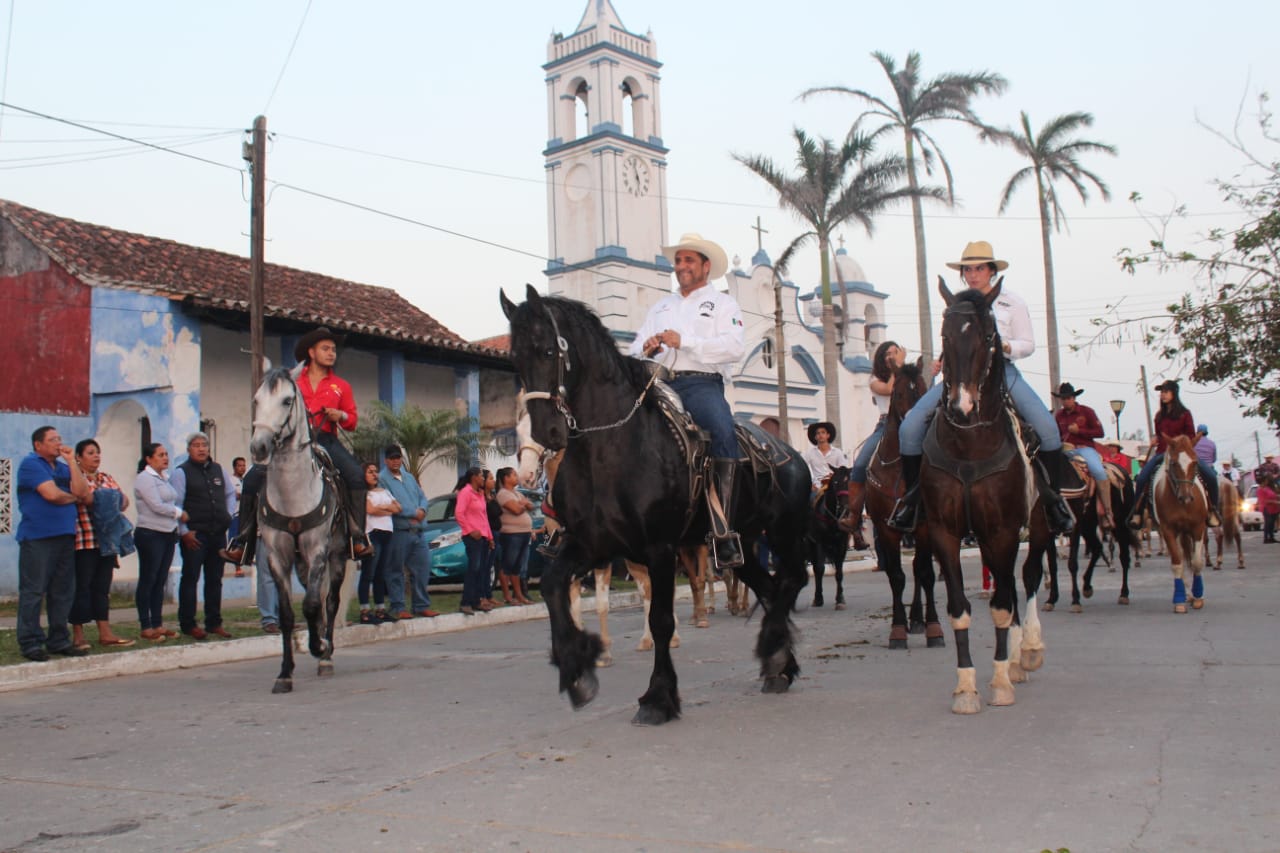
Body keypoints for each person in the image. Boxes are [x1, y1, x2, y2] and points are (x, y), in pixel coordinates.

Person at [889, 241, 1076, 535]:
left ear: (991, 270)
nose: (973, 274)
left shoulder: (1011, 302)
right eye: (968, 269)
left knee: (1049, 431)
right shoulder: (958, 305)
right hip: (961, 377)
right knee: (909, 428)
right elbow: (957, 341)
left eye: (979, 268)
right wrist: (942, 361)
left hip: (1003, 373)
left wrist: (1005, 346)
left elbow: (1028, 343)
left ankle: (1054, 503)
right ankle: (914, 501)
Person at [628, 232, 747, 568]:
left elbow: (735, 347)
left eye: (688, 260)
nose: (681, 267)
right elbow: (633, 349)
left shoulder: (724, 304)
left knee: (722, 430)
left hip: (701, 384)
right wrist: (646, 349)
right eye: (678, 261)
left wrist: (686, 341)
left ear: (705, 267)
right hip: (659, 383)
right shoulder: (661, 306)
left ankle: (722, 526)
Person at [220, 326, 371, 563]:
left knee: (355, 476)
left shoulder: (341, 385)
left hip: (326, 440)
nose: (331, 353)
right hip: (288, 444)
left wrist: (339, 416)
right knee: (251, 480)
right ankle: (242, 542)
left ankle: (357, 537)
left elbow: (352, 421)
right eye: (325, 348)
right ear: (311, 352)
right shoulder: (290, 379)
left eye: (333, 349)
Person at [15, 426, 91, 661]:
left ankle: (58, 640)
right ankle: (30, 642)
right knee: (34, 591)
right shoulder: (31, 464)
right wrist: (73, 498)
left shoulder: (62, 467)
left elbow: (85, 493)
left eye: (59, 438)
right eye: (52, 439)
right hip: (38, 537)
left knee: (62, 591)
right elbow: (52, 495)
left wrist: (71, 462)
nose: (58, 442)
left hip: (65, 535)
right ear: (38, 445)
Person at [843, 340, 910, 550]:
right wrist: (896, 368)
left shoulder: (907, 376)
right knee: (862, 463)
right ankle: (853, 515)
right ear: (881, 359)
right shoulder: (874, 379)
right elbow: (890, 389)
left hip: (908, 422)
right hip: (886, 425)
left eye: (895, 352)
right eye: (888, 354)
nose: (892, 356)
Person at [1127, 380, 1221, 528]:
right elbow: (1159, 434)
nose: (1162, 395)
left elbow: (1190, 435)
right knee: (1142, 478)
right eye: (1161, 392)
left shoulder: (1185, 414)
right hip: (1163, 453)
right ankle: (1137, 513)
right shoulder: (1159, 416)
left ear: (1174, 393)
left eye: (1166, 392)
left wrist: (1181, 445)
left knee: (1210, 475)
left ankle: (1213, 510)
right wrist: (1155, 439)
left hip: (1183, 455)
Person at [70, 439, 135, 650]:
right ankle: (78, 633)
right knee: (82, 587)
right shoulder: (74, 477)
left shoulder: (105, 477)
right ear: (79, 457)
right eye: (90, 452)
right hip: (84, 540)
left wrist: (104, 499)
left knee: (102, 587)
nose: (96, 456)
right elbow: (84, 497)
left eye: (98, 452)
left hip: (106, 542)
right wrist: (107, 499)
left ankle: (104, 631)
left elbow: (123, 501)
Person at [170, 432, 236, 640]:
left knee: (215, 579)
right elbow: (176, 504)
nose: (201, 449)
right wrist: (184, 532)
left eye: (204, 445)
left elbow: (229, 493)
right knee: (190, 578)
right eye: (196, 445)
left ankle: (214, 622)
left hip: (217, 534)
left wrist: (228, 515)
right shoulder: (181, 473)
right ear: (189, 449)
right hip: (194, 535)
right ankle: (188, 624)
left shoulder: (218, 470)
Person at [133, 442, 186, 642]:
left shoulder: (164, 478)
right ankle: (145, 625)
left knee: (160, 580)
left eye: (166, 454)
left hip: (166, 533)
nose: (165, 458)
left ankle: (157, 623)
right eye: (160, 455)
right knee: (148, 578)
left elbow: (170, 499)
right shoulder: (145, 478)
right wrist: (179, 513)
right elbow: (155, 505)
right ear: (149, 458)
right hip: (150, 533)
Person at [379, 445, 437, 619]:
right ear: (386, 460)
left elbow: (422, 497)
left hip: (418, 530)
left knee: (422, 568)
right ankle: (398, 606)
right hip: (399, 530)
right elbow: (388, 502)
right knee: (395, 569)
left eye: (398, 457)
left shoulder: (409, 477)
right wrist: (412, 513)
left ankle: (421, 605)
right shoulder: (382, 479)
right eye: (392, 458)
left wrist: (422, 510)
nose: (396, 461)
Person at [1052, 382, 1115, 529]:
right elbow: (1057, 435)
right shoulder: (1059, 415)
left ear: (1074, 398)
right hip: (1065, 450)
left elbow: (1100, 432)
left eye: (1068, 398)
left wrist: (1079, 431)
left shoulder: (1087, 412)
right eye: (1063, 398)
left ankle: (1107, 511)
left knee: (1098, 470)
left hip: (1084, 449)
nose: (1066, 401)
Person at [359, 461, 400, 623]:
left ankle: (380, 609)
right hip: (373, 534)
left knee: (380, 574)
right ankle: (364, 610)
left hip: (387, 534)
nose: (375, 474)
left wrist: (382, 508)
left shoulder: (384, 491)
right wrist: (387, 508)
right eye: (370, 472)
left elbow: (398, 508)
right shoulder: (364, 493)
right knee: (368, 573)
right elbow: (370, 510)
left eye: (375, 471)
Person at [455, 467, 493, 615]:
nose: (483, 479)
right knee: (474, 568)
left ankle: (477, 600)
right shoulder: (466, 492)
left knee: (482, 569)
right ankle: (466, 602)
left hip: (483, 535)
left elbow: (484, 517)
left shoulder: (480, 494)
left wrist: (490, 537)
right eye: (481, 476)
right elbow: (459, 513)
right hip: (472, 536)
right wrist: (470, 530)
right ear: (474, 477)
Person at [495, 467, 535, 606]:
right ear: (506, 478)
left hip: (524, 533)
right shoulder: (503, 494)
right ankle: (507, 596)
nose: (517, 477)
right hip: (511, 534)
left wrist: (523, 504)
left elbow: (531, 506)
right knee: (508, 565)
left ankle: (519, 595)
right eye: (513, 475)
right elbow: (516, 510)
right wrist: (523, 504)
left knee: (517, 567)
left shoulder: (517, 493)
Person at [229, 456, 247, 577]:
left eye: (243, 465)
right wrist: (246, 496)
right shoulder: (230, 480)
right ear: (235, 467)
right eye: (239, 465)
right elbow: (235, 495)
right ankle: (237, 568)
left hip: (246, 514)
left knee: (246, 541)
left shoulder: (246, 480)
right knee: (236, 541)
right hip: (235, 514)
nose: (242, 468)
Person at [1257, 475, 1279, 544]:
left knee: (1272, 523)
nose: (1267, 482)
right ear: (1263, 481)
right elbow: (1264, 500)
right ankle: (1266, 538)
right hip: (1266, 508)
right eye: (1266, 480)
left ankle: (1271, 537)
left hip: (1273, 508)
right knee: (1268, 523)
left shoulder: (1267, 488)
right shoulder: (1260, 489)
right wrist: (1276, 502)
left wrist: (1277, 497)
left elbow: (1273, 495)